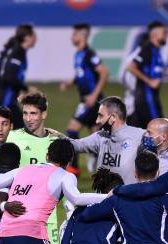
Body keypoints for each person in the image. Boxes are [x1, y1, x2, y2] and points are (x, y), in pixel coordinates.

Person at [6, 91, 64, 244]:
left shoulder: (55, 142)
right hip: (19, 216)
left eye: (33, 113)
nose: (28, 118)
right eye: (25, 113)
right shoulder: (14, 138)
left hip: (48, 217)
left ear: (43, 115)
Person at [60, 22, 109, 174]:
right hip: (87, 100)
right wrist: (71, 82)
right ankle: (98, 159)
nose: (71, 37)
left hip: (91, 100)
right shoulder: (78, 54)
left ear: (82, 35)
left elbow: (104, 72)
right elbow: (82, 74)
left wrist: (94, 95)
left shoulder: (89, 54)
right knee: (96, 133)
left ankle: (73, 168)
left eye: (74, 34)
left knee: (71, 129)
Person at [67, 96, 146, 185]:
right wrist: (54, 136)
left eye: (100, 116)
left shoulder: (140, 136)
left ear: (113, 117)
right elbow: (76, 145)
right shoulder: (100, 137)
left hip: (128, 197)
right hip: (103, 198)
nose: (97, 121)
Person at [126, 21, 168, 128]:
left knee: (139, 135)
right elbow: (131, 67)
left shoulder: (156, 51)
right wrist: (149, 81)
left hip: (150, 98)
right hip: (146, 99)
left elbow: (153, 71)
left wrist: (166, 71)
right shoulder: (147, 48)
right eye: (164, 32)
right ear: (155, 34)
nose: (166, 35)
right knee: (161, 130)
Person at [0, 24, 37, 129]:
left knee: (12, 131)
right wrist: (26, 88)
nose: (36, 38)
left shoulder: (17, 51)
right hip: (6, 99)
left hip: (6, 98)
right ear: (27, 37)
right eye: (33, 35)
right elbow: (9, 77)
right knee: (21, 130)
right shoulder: (18, 53)